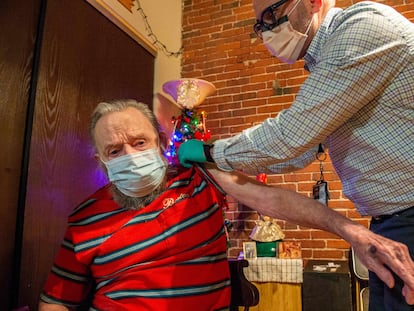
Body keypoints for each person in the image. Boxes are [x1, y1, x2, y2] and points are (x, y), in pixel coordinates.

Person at [177, 0, 414, 309]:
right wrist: (221, 163)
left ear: (313, 2)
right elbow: (296, 152)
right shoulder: (329, 62)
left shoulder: (361, 26)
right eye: (259, 25)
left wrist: (210, 150)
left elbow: (289, 136)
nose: (265, 33)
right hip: (391, 221)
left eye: (271, 16)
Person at [39, 100, 232, 310]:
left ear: (162, 143)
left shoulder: (199, 181)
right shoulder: (85, 218)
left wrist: (213, 156)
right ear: (102, 160)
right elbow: (55, 300)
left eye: (140, 143)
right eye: (114, 151)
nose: (130, 157)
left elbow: (266, 199)